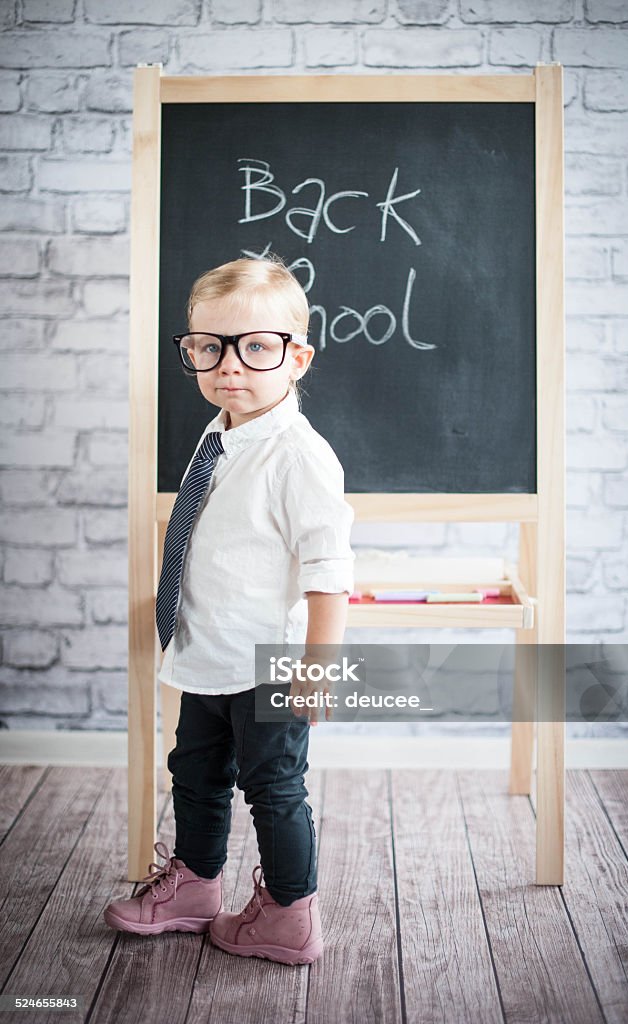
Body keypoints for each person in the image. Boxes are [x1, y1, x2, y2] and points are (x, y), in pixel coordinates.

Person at [104, 255, 355, 965]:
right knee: (196, 771)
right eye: (208, 346)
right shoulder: (220, 434)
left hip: (267, 660)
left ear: (296, 356)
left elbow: (329, 571)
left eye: (256, 346)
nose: (229, 366)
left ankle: (289, 913)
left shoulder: (297, 456)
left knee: (273, 788)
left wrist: (316, 667)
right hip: (208, 651)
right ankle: (194, 884)